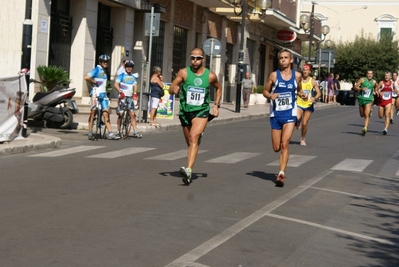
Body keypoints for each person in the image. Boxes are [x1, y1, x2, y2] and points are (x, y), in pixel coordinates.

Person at [169, 47, 222, 185]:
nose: (195, 60)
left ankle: (189, 170)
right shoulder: (184, 72)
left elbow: (218, 88)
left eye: (198, 58)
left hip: (201, 111)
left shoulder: (210, 76)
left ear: (203, 59)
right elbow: (171, 88)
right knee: (191, 143)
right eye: (192, 57)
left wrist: (216, 105)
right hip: (185, 112)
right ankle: (196, 141)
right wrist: (173, 90)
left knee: (193, 137)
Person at [263, 49, 306, 187]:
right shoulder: (274, 76)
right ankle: (280, 169)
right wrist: (270, 96)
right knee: (276, 147)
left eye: (286, 57)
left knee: (285, 144)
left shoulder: (297, 76)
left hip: (290, 113)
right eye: (281, 57)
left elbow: (298, 90)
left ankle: (281, 173)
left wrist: (302, 95)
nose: (283, 60)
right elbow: (265, 91)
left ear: (291, 60)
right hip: (276, 114)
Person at [85, 54, 119, 140]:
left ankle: (110, 133)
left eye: (107, 61)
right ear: (100, 62)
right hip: (96, 94)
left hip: (103, 94)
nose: (106, 63)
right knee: (92, 113)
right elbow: (87, 77)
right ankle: (90, 131)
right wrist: (93, 81)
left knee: (106, 114)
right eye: (104, 61)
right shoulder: (96, 69)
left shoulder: (105, 71)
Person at [114, 60, 142, 138]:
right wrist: (120, 91)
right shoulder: (121, 75)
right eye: (127, 67)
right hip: (122, 97)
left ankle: (135, 131)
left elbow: (135, 86)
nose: (129, 68)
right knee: (120, 114)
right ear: (125, 67)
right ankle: (118, 131)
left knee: (132, 114)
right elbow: (116, 84)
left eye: (130, 67)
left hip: (130, 97)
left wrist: (135, 93)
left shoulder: (133, 77)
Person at [296, 64, 321, 146]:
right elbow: (296, 90)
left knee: (304, 123)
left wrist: (314, 98)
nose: (305, 71)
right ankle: (298, 121)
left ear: (309, 71)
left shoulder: (312, 81)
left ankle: (302, 138)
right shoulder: (299, 80)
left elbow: (319, 93)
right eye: (304, 70)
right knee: (297, 118)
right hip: (299, 103)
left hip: (308, 105)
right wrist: (300, 94)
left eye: (307, 70)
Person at [354, 70, 378, 136]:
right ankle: (369, 112)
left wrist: (375, 92)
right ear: (366, 74)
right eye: (368, 73)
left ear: (373, 75)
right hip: (361, 99)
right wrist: (361, 89)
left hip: (369, 100)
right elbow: (355, 87)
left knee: (366, 114)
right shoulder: (362, 80)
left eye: (371, 74)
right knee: (362, 115)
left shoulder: (374, 82)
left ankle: (365, 128)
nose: (369, 75)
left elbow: (376, 88)